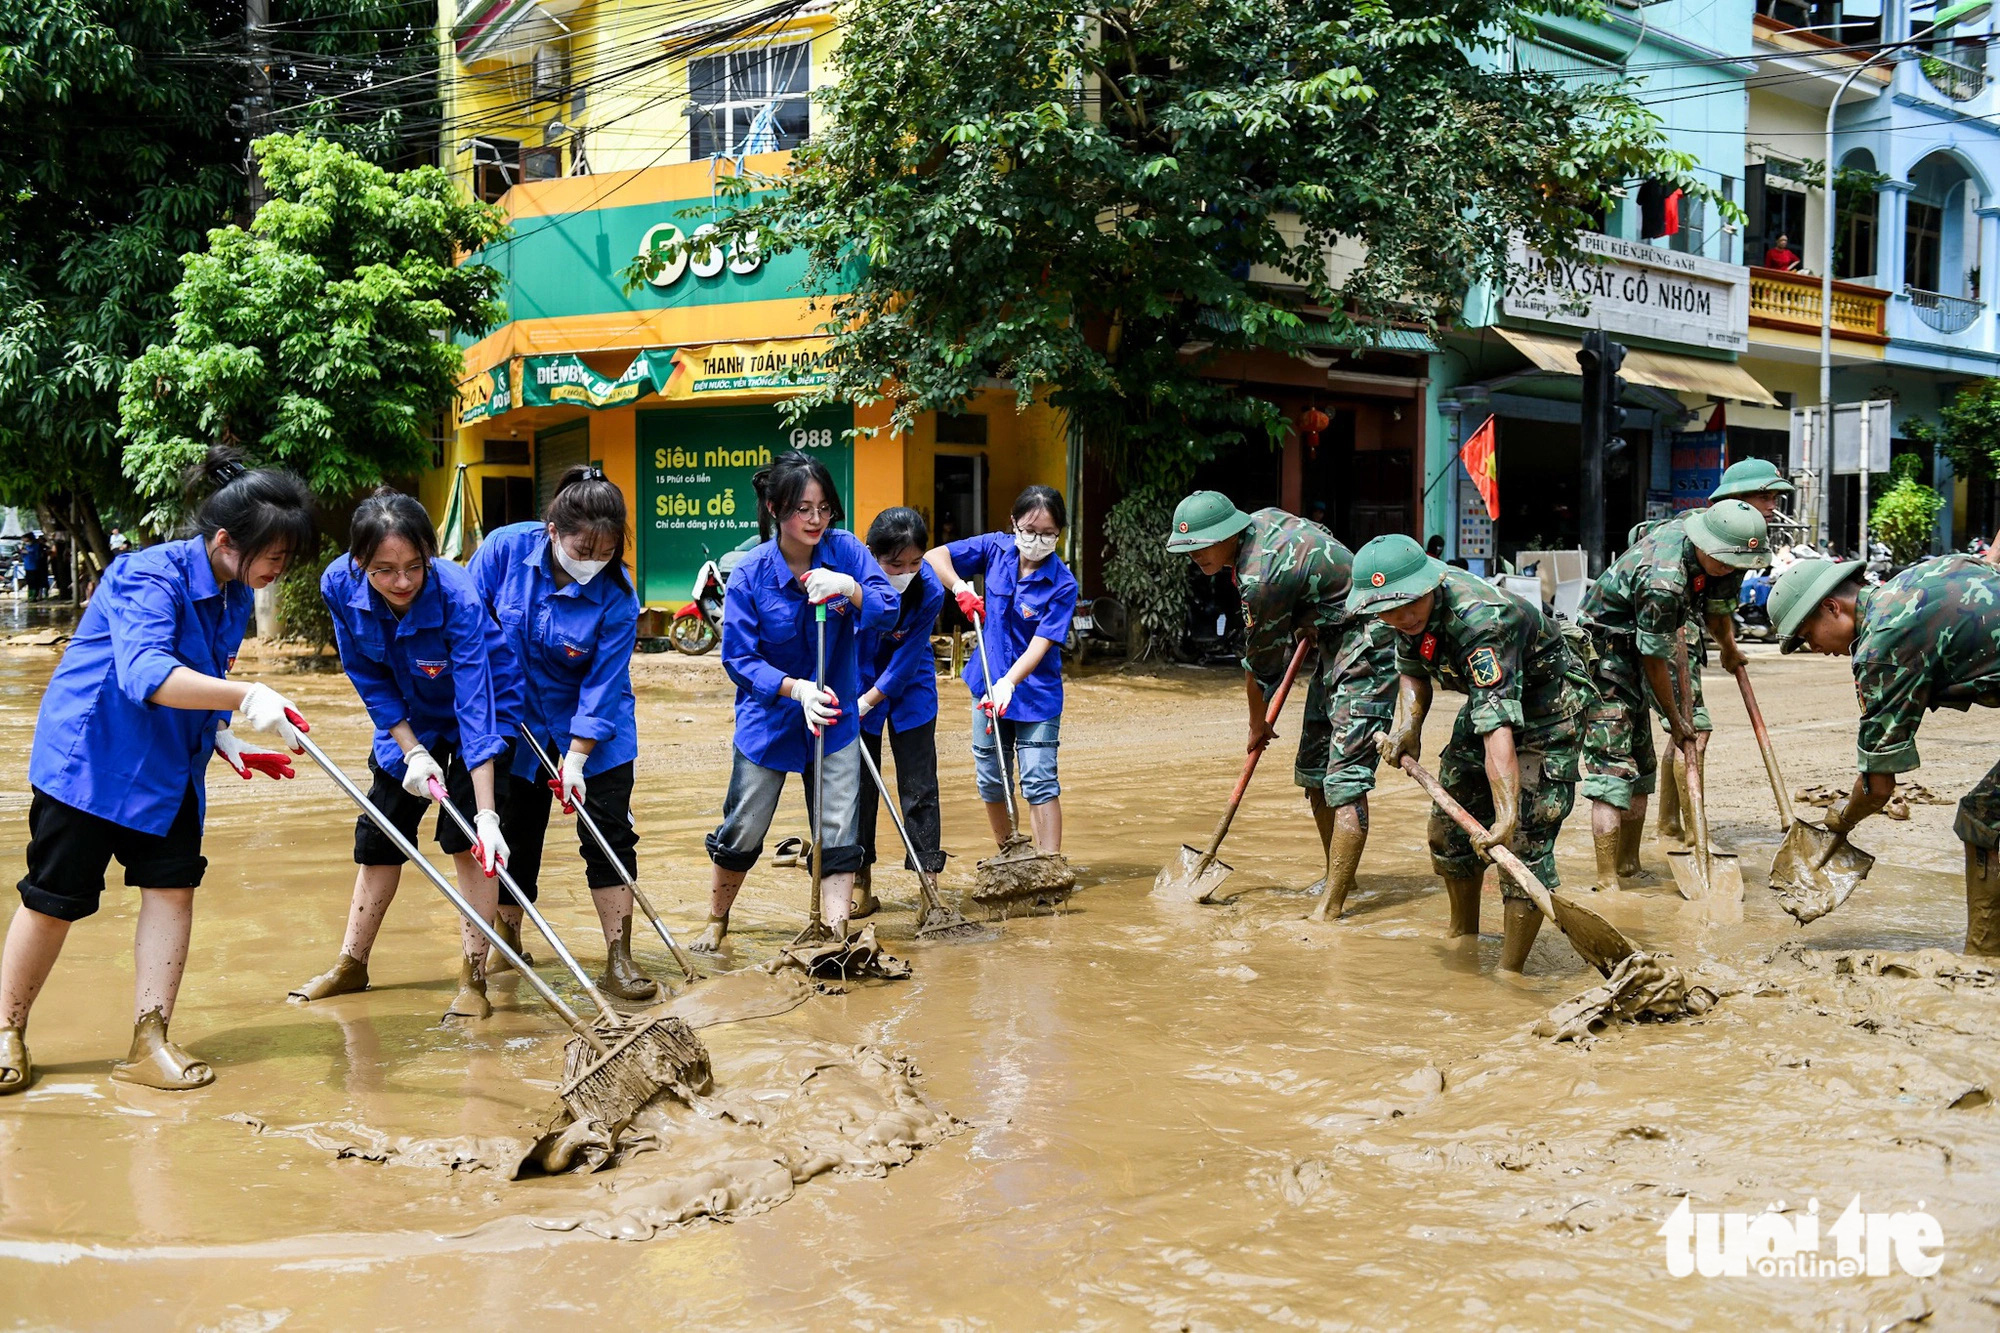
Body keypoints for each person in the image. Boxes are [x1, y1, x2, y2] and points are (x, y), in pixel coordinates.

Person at [2, 449, 315, 1095]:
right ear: (227, 540)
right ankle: (6, 1029)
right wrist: (247, 695)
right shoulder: (145, 576)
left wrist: (225, 736)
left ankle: (150, 1040)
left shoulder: (230, 593)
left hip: (172, 765)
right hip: (92, 760)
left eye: (286, 558)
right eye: (274, 556)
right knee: (55, 898)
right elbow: (145, 672)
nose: (279, 569)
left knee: (172, 888)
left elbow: (200, 676)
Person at [289, 491, 522, 1021]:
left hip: (481, 707)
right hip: (407, 718)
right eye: (385, 570)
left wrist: (486, 816)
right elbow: (366, 674)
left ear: (430, 556)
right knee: (381, 835)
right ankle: (352, 963)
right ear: (359, 563)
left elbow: (475, 704)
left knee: (468, 842)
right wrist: (413, 750)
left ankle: (474, 975)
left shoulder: (457, 597)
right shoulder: (338, 586)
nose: (402, 582)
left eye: (415, 566)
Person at [1350, 534, 1592, 971]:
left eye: (1408, 606)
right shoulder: (1404, 616)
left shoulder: (1482, 621)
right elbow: (1411, 673)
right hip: (1488, 703)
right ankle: (1463, 935)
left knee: (1523, 844)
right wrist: (1408, 728)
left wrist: (1505, 814)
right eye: (1386, 608)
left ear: (1428, 586)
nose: (1399, 617)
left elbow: (1497, 727)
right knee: (1447, 830)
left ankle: (1510, 971)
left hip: (1548, 706)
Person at [696, 452, 896, 952]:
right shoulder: (749, 573)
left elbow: (888, 610)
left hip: (836, 719)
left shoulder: (846, 552)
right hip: (770, 721)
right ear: (774, 507)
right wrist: (796, 688)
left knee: (838, 829)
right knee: (744, 826)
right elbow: (739, 659)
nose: (814, 519)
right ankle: (717, 920)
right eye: (802, 508)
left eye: (823, 508)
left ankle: (834, 936)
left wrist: (850, 589)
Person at [468, 466, 654, 1002]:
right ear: (552, 529)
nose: (593, 561)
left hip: (598, 733)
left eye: (606, 550)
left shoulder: (617, 595)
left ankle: (619, 956)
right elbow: (467, 622)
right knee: (517, 836)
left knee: (610, 837)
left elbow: (604, 681)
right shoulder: (504, 550)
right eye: (582, 547)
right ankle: (509, 939)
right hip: (517, 723)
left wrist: (576, 757)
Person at [1164, 491, 1396, 916]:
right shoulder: (1262, 518)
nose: (1195, 556)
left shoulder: (1260, 580)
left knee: (1345, 779)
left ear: (1227, 533)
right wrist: (1314, 608)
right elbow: (1320, 539)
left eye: (1201, 545)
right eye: (1189, 549)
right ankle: (1342, 878)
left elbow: (1262, 667)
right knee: (1314, 771)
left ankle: (1331, 909)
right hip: (1333, 638)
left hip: (1370, 640)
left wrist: (1257, 725)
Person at [1771, 554, 2000, 952]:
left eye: (1808, 635)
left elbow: (1878, 788)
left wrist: (1842, 819)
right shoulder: (1920, 574)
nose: (1814, 648)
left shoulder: (1880, 649)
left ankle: (1984, 956)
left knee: (1981, 818)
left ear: (1832, 607)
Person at [1578, 499, 1771, 891]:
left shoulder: (1718, 545)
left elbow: (1711, 610)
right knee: (1614, 766)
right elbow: (1653, 659)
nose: (1729, 571)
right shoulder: (1663, 580)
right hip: (1608, 651)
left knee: (1643, 763)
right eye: (1724, 562)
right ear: (1705, 545)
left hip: (1648, 637)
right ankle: (1606, 882)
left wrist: (1729, 649)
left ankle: (1629, 866)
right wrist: (1675, 717)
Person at [926, 485, 1078, 856]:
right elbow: (935, 555)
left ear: (1059, 534)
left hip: (1035, 693)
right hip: (986, 685)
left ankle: (1048, 865)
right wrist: (960, 587)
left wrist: (1010, 682)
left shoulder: (1063, 584)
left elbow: (1042, 644)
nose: (1037, 540)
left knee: (1039, 780)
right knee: (992, 778)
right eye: (1029, 530)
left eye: (1048, 534)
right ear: (1014, 524)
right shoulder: (995, 548)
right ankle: (1012, 857)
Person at [854, 507, 948, 916]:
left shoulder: (930, 591)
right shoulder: (852, 579)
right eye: (895, 563)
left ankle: (929, 887)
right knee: (859, 785)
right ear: (873, 554)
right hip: (858, 677)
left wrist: (873, 699)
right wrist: (855, 697)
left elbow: (908, 656)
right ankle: (859, 881)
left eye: (915, 562)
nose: (906, 571)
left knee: (919, 785)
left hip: (910, 685)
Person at [20, 533, 47, 602]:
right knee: (29, 582)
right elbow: (22, 556)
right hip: (27, 566)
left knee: (35, 582)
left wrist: (28, 552)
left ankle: (35, 596)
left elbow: (38, 555)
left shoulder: (36, 546)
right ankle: (30, 596)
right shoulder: (25, 546)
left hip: (35, 566)